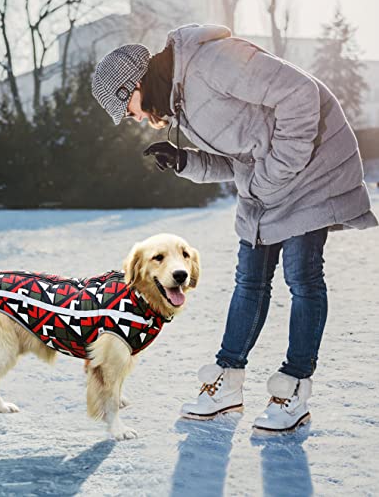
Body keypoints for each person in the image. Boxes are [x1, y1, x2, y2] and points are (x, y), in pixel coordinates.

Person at [91, 24, 378, 432]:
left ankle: (294, 386)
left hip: (313, 165)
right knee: (250, 280)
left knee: (302, 276)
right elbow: (239, 159)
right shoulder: (182, 105)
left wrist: (272, 174)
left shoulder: (210, 62)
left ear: (134, 84)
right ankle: (227, 381)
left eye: (128, 108)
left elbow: (301, 95)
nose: (134, 117)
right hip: (269, 181)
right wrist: (186, 161)